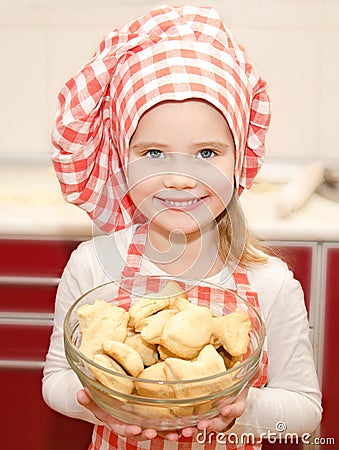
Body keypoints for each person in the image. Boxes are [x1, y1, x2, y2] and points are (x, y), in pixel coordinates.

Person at [42, 4, 322, 450]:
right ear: (121, 159)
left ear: (239, 163)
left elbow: (305, 412)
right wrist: (93, 400)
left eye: (207, 153)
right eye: (154, 153)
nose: (179, 176)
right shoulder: (93, 265)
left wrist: (239, 409)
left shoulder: (271, 283)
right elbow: (56, 377)